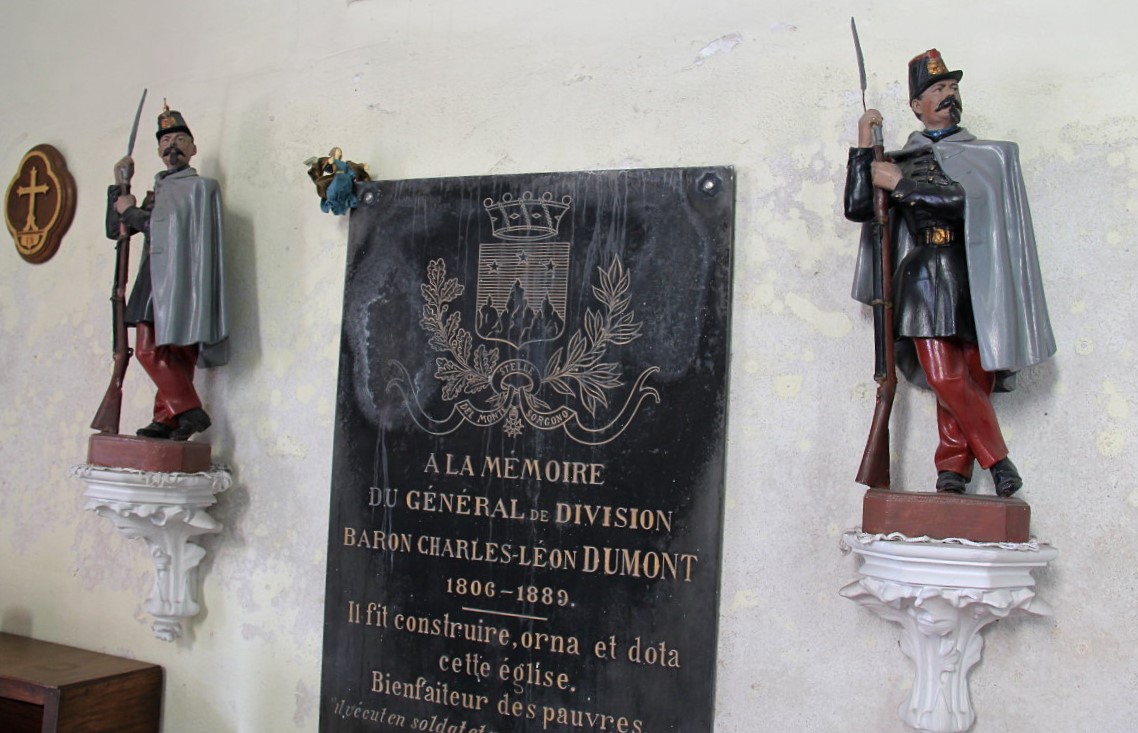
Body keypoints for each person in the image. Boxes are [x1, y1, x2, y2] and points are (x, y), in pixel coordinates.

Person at [844, 49, 1055, 497]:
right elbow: (860, 208)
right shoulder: (901, 158)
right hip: (921, 277)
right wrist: (864, 146)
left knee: (977, 376)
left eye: (952, 88)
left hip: (977, 272)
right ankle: (998, 461)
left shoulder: (991, 157)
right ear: (917, 105)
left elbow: (966, 204)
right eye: (937, 90)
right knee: (944, 375)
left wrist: (901, 187)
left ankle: (952, 471)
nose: (948, 96)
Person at [106, 103, 228, 441]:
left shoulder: (199, 188)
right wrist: (120, 188)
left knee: (177, 351)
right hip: (155, 278)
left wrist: (131, 213)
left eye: (178, 139)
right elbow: (117, 229)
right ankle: (183, 412)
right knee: (149, 347)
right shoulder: (154, 193)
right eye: (165, 141)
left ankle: (173, 415)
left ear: (192, 148)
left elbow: (163, 227)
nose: (171, 146)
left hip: (185, 280)